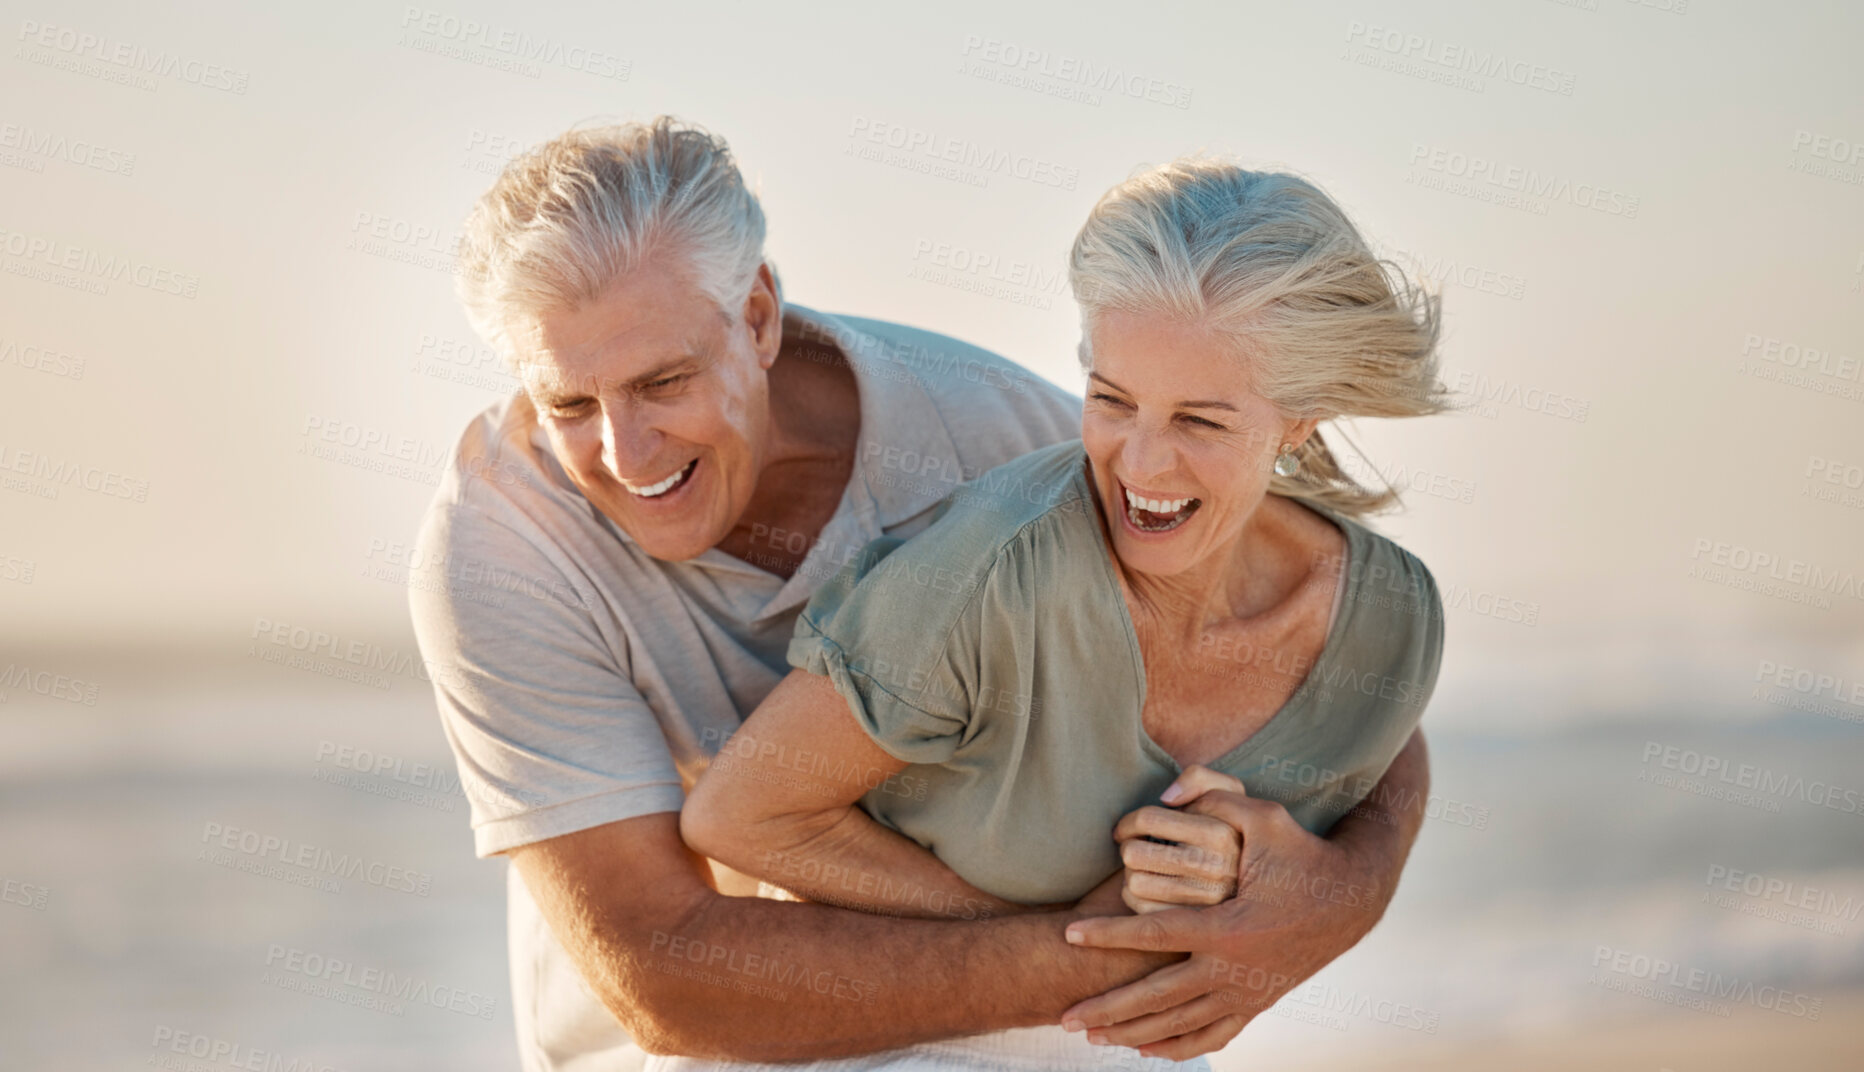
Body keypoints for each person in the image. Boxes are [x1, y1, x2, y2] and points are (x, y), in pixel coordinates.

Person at [408, 116, 1433, 1071]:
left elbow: (1319, 679)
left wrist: (1342, 892)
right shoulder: (502, 548)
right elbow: (668, 971)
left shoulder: (1000, 442)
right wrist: (1129, 949)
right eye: (569, 403)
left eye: (662, 383)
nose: (624, 452)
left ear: (756, 314)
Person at [678, 157, 1449, 1069]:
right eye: (1111, 401)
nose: (1142, 464)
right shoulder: (994, 571)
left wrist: (1333, 891)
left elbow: (1392, 758)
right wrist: (1060, 937)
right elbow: (740, 817)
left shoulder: (1386, 616)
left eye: (1200, 422)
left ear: (1299, 422)